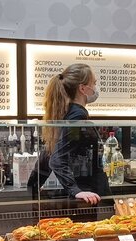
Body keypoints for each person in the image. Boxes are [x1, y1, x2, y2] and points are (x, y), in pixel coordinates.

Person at [27, 63, 109, 205]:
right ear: (83, 88)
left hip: (83, 194)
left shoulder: (66, 112)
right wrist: (75, 190)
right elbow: (56, 158)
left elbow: (50, 152)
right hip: (87, 196)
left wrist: (33, 185)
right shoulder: (77, 117)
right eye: (94, 83)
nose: (95, 88)